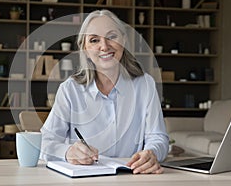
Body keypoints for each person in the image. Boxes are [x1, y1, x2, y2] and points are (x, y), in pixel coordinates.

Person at [40, 9, 169, 174]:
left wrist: (153, 153)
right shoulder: (70, 89)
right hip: (85, 180)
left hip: (133, 178)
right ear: (85, 49)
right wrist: (67, 152)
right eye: (94, 40)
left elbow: (158, 137)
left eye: (112, 37)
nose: (104, 46)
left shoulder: (145, 84)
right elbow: (44, 142)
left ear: (124, 40)